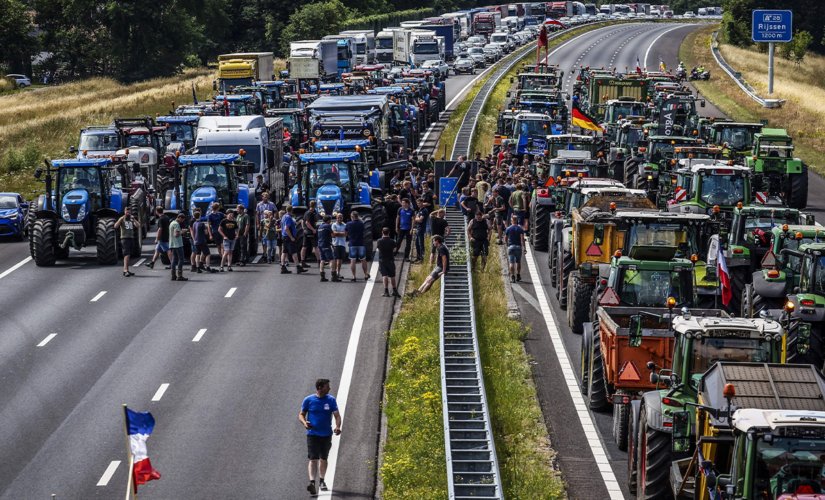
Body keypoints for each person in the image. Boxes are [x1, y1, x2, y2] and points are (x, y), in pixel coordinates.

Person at [299, 379, 341, 495]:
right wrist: (304, 423)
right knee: (313, 458)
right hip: (313, 434)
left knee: (324, 458)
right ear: (320, 388)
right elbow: (301, 414)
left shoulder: (331, 400)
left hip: (326, 434)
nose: (329, 388)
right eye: (327, 386)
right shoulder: (308, 400)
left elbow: (337, 415)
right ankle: (312, 482)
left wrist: (337, 427)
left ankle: (322, 481)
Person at [280, 206, 305, 274]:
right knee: (294, 252)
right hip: (288, 237)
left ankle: (283, 267)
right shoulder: (288, 217)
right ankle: (298, 266)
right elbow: (286, 228)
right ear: (292, 210)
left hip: (284, 236)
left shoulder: (284, 216)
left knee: (284, 252)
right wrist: (291, 237)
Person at [346, 211, 369, 281]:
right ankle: (365, 274)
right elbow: (363, 231)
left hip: (352, 244)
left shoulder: (348, 224)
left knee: (352, 260)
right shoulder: (361, 223)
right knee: (363, 259)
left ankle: (354, 276)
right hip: (361, 243)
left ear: (352, 217)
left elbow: (345, 233)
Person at [115, 207, 137, 277]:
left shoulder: (131, 219)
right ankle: (125, 270)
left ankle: (127, 269)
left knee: (129, 255)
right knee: (126, 255)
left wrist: (134, 219)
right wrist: (121, 219)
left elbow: (138, 226)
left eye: (129, 212)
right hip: (124, 238)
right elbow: (115, 226)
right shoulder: (122, 219)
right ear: (124, 212)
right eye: (127, 212)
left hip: (131, 238)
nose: (128, 213)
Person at [377, 227, 399, 297]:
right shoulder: (392, 241)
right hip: (390, 259)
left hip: (382, 259)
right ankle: (394, 290)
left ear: (382, 233)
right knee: (392, 275)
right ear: (389, 232)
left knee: (384, 275)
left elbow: (379, 248)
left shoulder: (379, 241)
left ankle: (386, 291)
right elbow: (395, 250)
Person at [505, 214, 527, 282]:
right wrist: (524, 247)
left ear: (511, 221)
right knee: (518, 262)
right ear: (517, 221)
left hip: (511, 246)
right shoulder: (520, 229)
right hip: (518, 246)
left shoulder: (508, 229)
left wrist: (507, 244)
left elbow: (506, 238)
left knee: (511, 262)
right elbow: (522, 238)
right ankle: (518, 275)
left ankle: (512, 276)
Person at [169, 213, 189, 281]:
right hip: (178, 244)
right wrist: (182, 232)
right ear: (180, 218)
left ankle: (173, 275)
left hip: (172, 244)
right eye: (182, 220)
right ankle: (179, 275)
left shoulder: (172, 223)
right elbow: (176, 234)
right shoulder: (176, 224)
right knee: (181, 259)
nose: (182, 221)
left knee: (174, 259)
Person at [256, 192, 276, 257]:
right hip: (263, 223)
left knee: (271, 237)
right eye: (265, 197)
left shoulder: (271, 204)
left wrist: (274, 218)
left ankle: (270, 251)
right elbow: (257, 214)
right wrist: (258, 223)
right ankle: (264, 252)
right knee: (263, 237)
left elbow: (276, 211)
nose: (266, 198)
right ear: (262, 198)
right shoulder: (259, 205)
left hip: (270, 223)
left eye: (267, 197)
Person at [302, 200, 319, 268]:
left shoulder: (306, 212)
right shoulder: (310, 213)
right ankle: (319, 260)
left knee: (304, 247)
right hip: (310, 232)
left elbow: (302, 221)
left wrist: (304, 229)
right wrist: (313, 230)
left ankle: (302, 261)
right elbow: (307, 222)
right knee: (316, 246)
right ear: (315, 206)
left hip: (306, 232)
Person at [317, 215, 334, 282]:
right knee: (331, 259)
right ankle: (333, 275)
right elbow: (332, 235)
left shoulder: (320, 227)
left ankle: (322, 276)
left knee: (322, 260)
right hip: (326, 244)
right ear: (328, 220)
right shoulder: (328, 226)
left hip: (320, 244)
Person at [331, 213, 347, 282]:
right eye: (338, 218)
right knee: (334, 259)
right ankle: (334, 273)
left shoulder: (345, 225)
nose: (339, 219)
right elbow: (334, 233)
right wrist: (342, 234)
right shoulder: (334, 225)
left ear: (342, 218)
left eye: (340, 218)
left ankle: (338, 272)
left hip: (342, 244)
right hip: (336, 244)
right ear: (336, 218)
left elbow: (346, 234)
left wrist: (338, 233)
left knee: (340, 260)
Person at [413, 198, 429, 262]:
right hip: (418, 228)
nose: (418, 204)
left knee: (420, 243)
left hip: (422, 228)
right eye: (417, 203)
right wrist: (416, 218)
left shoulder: (424, 210)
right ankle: (418, 256)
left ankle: (422, 257)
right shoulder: (420, 210)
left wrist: (415, 218)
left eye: (419, 203)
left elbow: (420, 220)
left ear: (422, 203)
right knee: (416, 243)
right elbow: (416, 217)